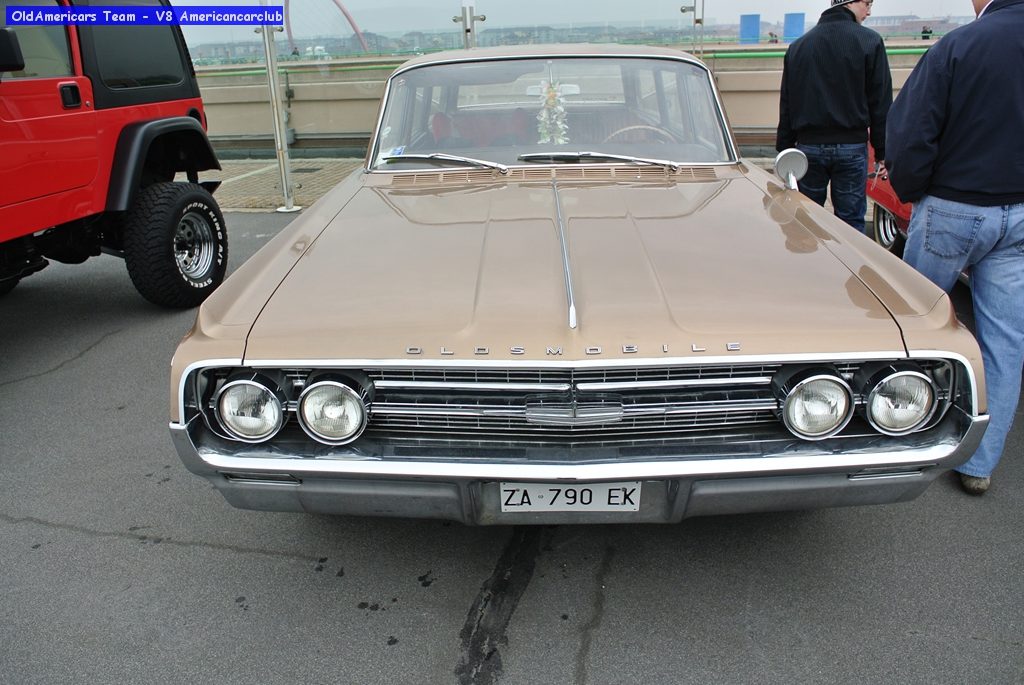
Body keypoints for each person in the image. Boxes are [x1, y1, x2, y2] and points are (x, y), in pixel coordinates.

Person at [885, 0, 1024, 495]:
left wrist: (912, 188)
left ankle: (898, 435)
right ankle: (978, 465)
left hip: (954, 206)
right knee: (1005, 341)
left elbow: (911, 129)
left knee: (911, 326)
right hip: (1022, 211)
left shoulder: (961, 44)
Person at [776, 0, 892, 233]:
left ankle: (809, 268)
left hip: (808, 149)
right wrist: (883, 151)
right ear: (850, 2)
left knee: (805, 222)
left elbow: (787, 102)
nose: (869, 11)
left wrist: (785, 149)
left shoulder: (799, 47)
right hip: (851, 147)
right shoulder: (870, 41)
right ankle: (848, 270)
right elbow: (880, 102)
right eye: (867, 3)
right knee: (850, 225)